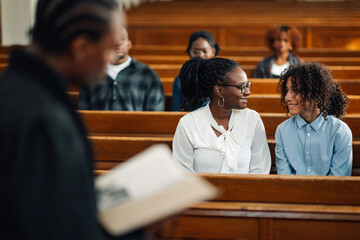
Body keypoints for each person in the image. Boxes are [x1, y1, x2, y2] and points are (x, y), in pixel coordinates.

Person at [0, 0, 145, 239]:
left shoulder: (13, 87)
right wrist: (136, 231)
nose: (110, 58)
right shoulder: (43, 118)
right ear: (81, 48)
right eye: (109, 47)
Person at [172, 57, 271, 173]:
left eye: (247, 85)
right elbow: (183, 172)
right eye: (241, 87)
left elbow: (260, 169)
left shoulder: (252, 119)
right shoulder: (188, 123)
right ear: (218, 90)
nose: (248, 92)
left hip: (247, 191)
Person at [275, 62, 353, 176]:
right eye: (287, 90)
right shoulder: (282, 131)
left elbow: (338, 182)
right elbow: (285, 179)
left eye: (295, 90)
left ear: (315, 92)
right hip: (292, 193)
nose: (287, 97)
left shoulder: (339, 131)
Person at [79, 25, 165, 111]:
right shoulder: (91, 75)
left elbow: (155, 117)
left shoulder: (148, 75)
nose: (118, 43)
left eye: (122, 38)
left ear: (129, 44)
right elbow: (83, 116)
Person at [171, 30, 220, 111]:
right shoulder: (180, 80)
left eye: (204, 51)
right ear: (190, 52)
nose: (200, 55)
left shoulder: (220, 78)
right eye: (195, 51)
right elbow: (176, 111)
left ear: (213, 51)